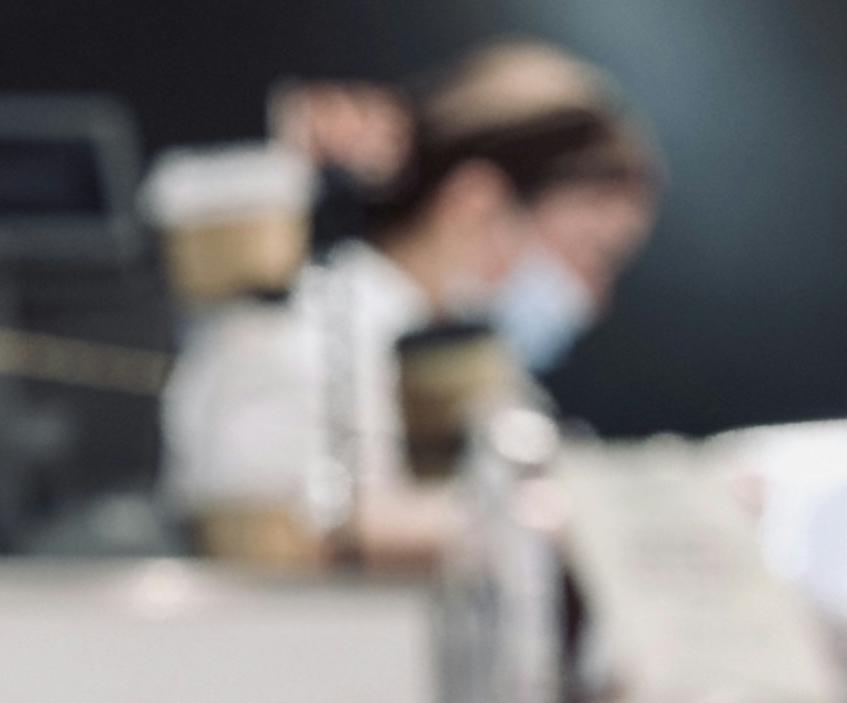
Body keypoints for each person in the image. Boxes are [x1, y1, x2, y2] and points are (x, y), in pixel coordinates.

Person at [277, 42, 661, 562]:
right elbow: (319, 524)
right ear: (474, 204)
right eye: (588, 253)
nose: (593, 298)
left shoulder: (477, 363)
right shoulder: (315, 329)